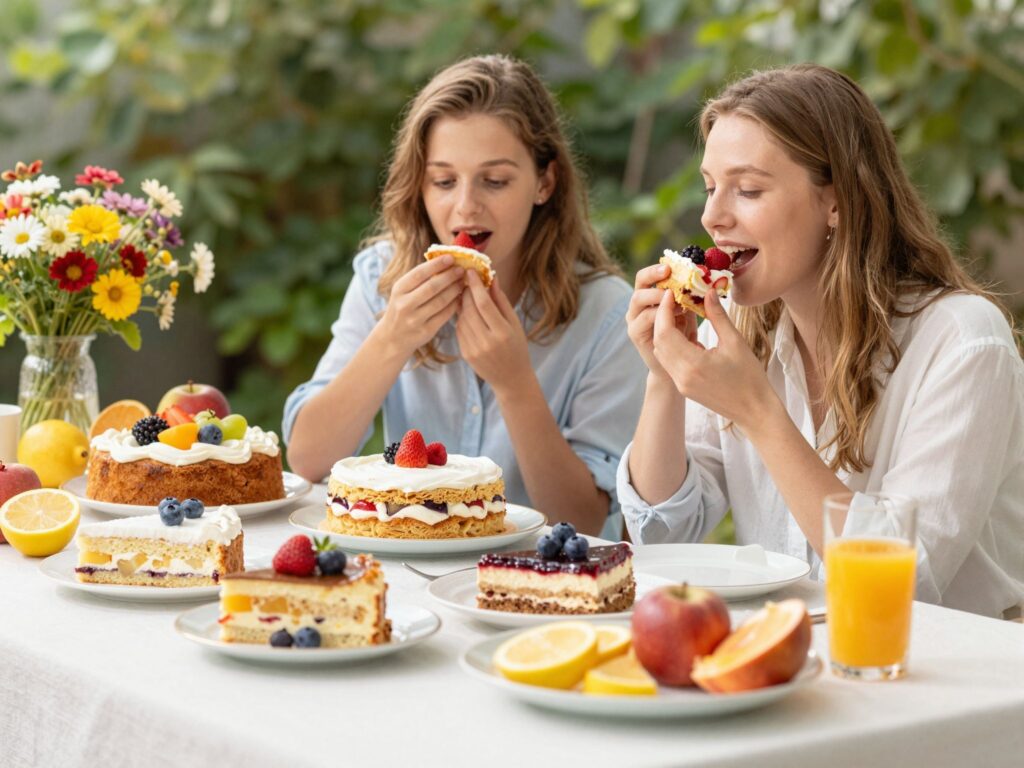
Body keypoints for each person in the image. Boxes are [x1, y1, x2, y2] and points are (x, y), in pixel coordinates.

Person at [618, 64, 1024, 618]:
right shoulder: (737, 327)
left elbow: (903, 581)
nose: (712, 216)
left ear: (836, 201)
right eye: (711, 188)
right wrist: (662, 376)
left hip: (952, 678)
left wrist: (759, 411)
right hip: (803, 661)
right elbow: (664, 532)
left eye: (749, 189)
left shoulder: (964, 344)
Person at [285, 55, 644, 538]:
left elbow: (583, 521)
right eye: (444, 181)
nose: (465, 206)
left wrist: (515, 382)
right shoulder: (382, 278)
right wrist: (392, 338)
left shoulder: (607, 314)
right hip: (407, 573)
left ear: (544, 182)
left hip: (533, 585)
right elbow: (308, 459)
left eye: (495, 181)